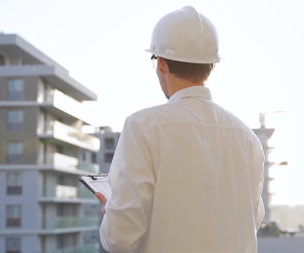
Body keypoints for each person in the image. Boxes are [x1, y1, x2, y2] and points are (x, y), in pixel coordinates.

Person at [96, 5, 265, 253]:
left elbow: (120, 239)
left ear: (161, 64)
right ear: (212, 65)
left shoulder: (143, 127)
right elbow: (251, 220)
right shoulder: (247, 138)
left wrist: (113, 208)